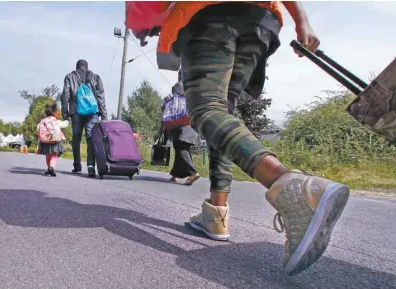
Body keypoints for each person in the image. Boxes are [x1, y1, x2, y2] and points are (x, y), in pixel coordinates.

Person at [133, 1, 351, 275]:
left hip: (208, 14)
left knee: (206, 110)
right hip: (260, 19)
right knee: (223, 111)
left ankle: (293, 187)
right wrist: (301, 21)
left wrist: (146, 22)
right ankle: (216, 214)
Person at [61, 60, 107, 178]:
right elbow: (101, 97)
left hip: (76, 111)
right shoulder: (96, 78)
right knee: (91, 138)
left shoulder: (69, 77)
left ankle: (77, 166)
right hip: (92, 112)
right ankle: (91, 167)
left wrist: (65, 112)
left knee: (76, 137)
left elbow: (65, 94)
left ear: (76, 67)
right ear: (87, 67)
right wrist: (103, 114)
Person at [161, 82, 200, 185]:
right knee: (181, 150)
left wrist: (167, 101)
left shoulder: (172, 98)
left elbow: (164, 109)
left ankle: (193, 173)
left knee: (181, 149)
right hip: (193, 129)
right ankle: (175, 176)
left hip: (181, 129)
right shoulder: (191, 98)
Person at [37, 103, 68, 177]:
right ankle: (52, 167)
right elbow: (65, 124)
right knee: (54, 154)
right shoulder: (56, 121)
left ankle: (48, 168)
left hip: (45, 141)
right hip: (54, 140)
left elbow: (38, 128)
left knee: (48, 155)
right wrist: (67, 120)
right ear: (54, 113)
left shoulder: (42, 121)